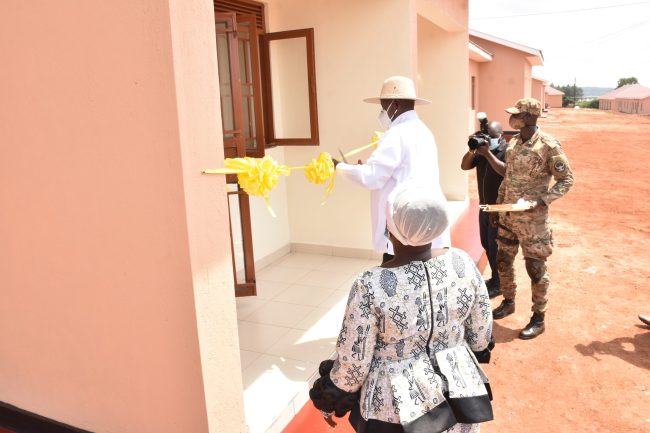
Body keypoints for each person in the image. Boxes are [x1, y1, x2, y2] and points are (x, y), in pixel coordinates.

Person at [309, 181, 494, 433]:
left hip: (396, 409)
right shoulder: (461, 262)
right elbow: (480, 334)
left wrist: (330, 398)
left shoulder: (370, 285)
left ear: (390, 228)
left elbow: (354, 364)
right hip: (459, 392)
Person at [333, 76, 450, 264]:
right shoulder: (423, 130)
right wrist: (366, 168)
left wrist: (339, 167)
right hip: (424, 219)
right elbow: (400, 171)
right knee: (421, 273)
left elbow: (373, 178)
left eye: (383, 107)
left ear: (394, 105)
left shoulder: (396, 134)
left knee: (396, 275)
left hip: (402, 226)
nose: (381, 113)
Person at [491, 98, 574, 340]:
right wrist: (498, 208)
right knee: (503, 261)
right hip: (508, 217)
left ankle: (539, 317)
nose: (513, 117)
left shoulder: (548, 145)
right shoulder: (514, 141)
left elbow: (566, 180)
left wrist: (543, 200)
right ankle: (509, 301)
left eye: (517, 114)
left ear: (529, 117)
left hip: (533, 222)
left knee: (535, 269)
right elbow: (508, 178)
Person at [461, 120, 507, 299]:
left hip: (499, 208)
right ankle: (495, 279)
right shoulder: (481, 151)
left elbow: (505, 171)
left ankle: (499, 283)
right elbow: (464, 166)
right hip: (484, 206)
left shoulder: (507, 150)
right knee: (486, 244)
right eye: (485, 137)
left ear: (500, 136)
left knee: (497, 247)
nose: (488, 140)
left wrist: (488, 153)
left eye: (491, 137)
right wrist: (473, 149)